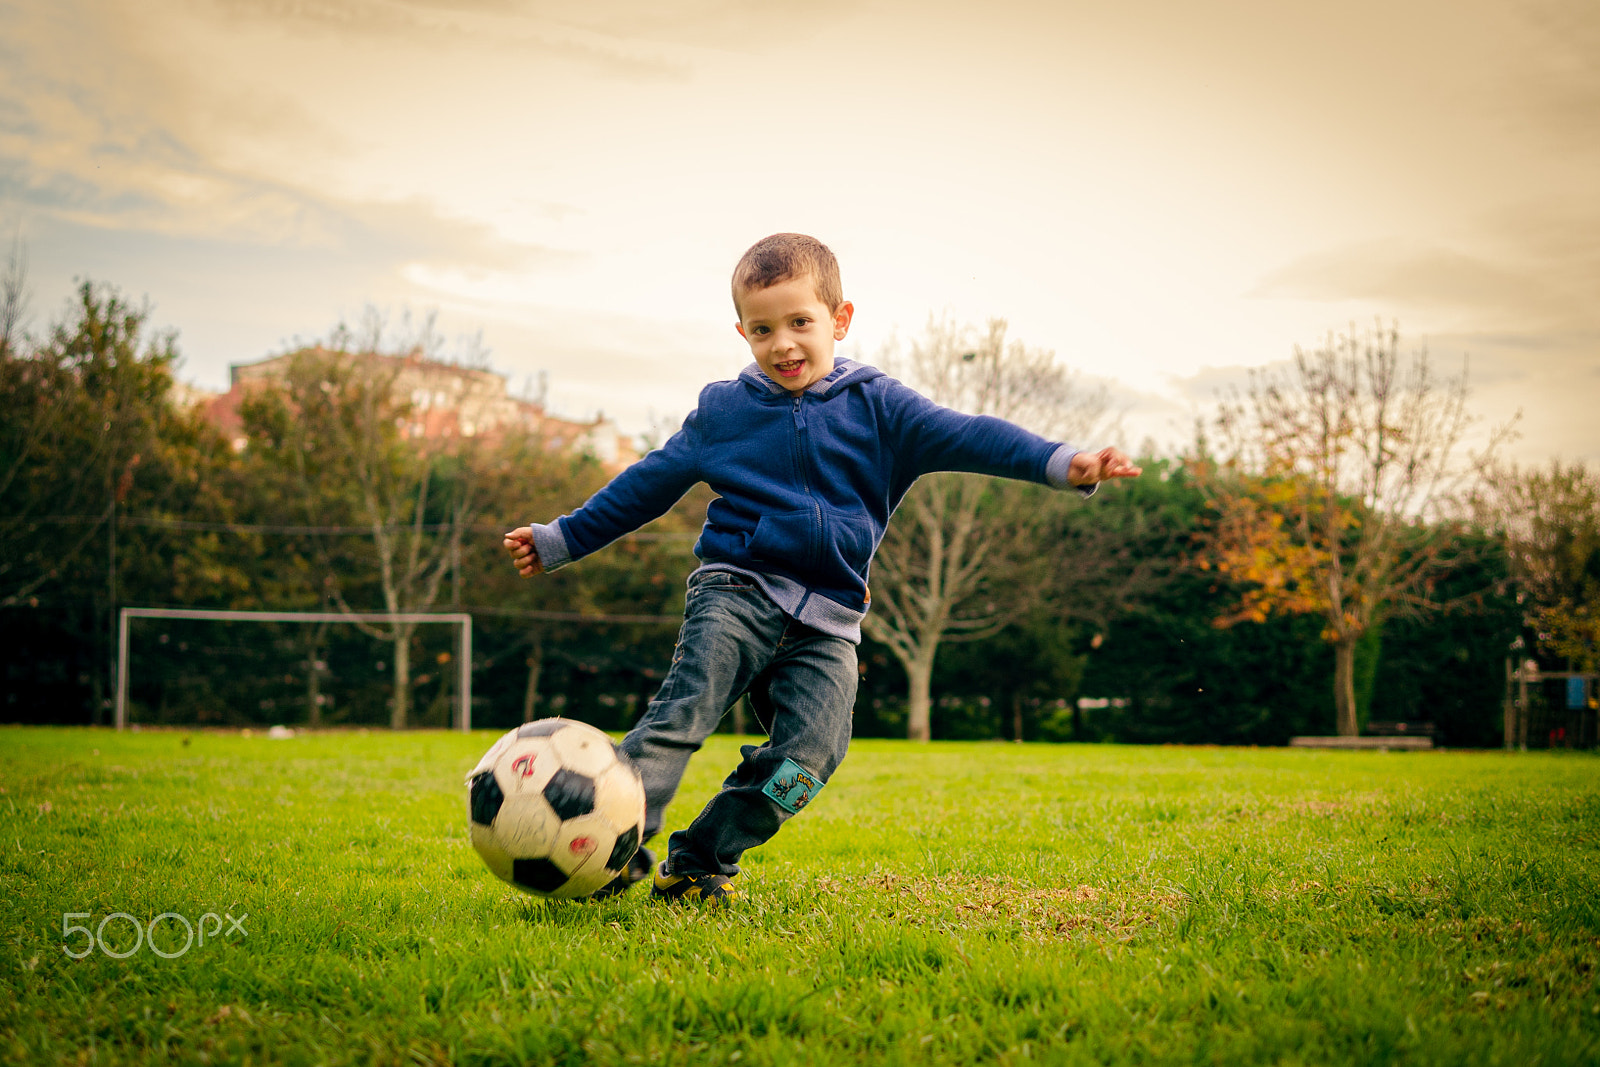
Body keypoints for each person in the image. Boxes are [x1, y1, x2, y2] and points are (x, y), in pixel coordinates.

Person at [503, 233, 1140, 904]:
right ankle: (612, 849)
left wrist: (1063, 462)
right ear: (742, 331)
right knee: (681, 716)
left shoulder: (881, 408)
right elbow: (648, 483)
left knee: (808, 759)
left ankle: (700, 858)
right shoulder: (724, 412)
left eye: (799, 322)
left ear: (839, 320)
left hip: (829, 621)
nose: (783, 343)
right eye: (762, 329)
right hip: (736, 592)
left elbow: (971, 433)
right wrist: (562, 537)